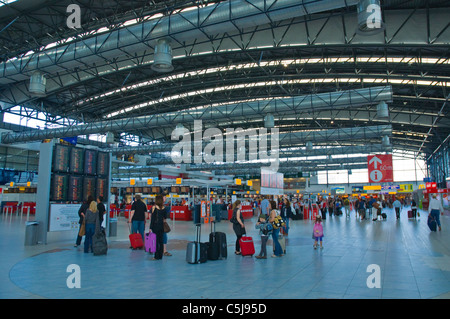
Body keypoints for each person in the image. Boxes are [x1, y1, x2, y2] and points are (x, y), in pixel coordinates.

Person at [150, 195, 167, 260]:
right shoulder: (164, 208)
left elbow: (152, 219)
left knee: (156, 241)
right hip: (161, 226)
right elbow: (165, 218)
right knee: (161, 241)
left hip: (155, 226)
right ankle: (160, 255)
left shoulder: (154, 208)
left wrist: (150, 228)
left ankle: (156, 256)